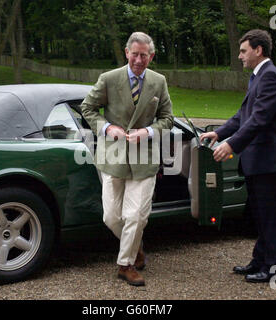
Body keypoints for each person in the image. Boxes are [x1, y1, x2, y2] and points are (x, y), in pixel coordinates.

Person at [81, 32, 174, 286]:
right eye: (135, 54)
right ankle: (135, 247)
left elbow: (168, 118)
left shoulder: (159, 81)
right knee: (111, 217)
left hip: (145, 158)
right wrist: (106, 128)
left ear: (151, 56)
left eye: (144, 55)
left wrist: (148, 132)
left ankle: (125, 264)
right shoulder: (109, 79)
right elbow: (87, 108)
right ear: (126, 53)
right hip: (113, 157)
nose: (139, 60)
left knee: (136, 216)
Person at [200, 29, 276, 283]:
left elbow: (259, 120)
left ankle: (275, 271)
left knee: (274, 219)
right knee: (260, 217)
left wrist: (231, 146)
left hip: (270, 162)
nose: (240, 56)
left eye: (243, 51)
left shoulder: (270, 77)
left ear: (258, 50)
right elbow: (243, 116)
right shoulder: (257, 77)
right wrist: (219, 133)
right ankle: (260, 262)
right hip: (257, 162)